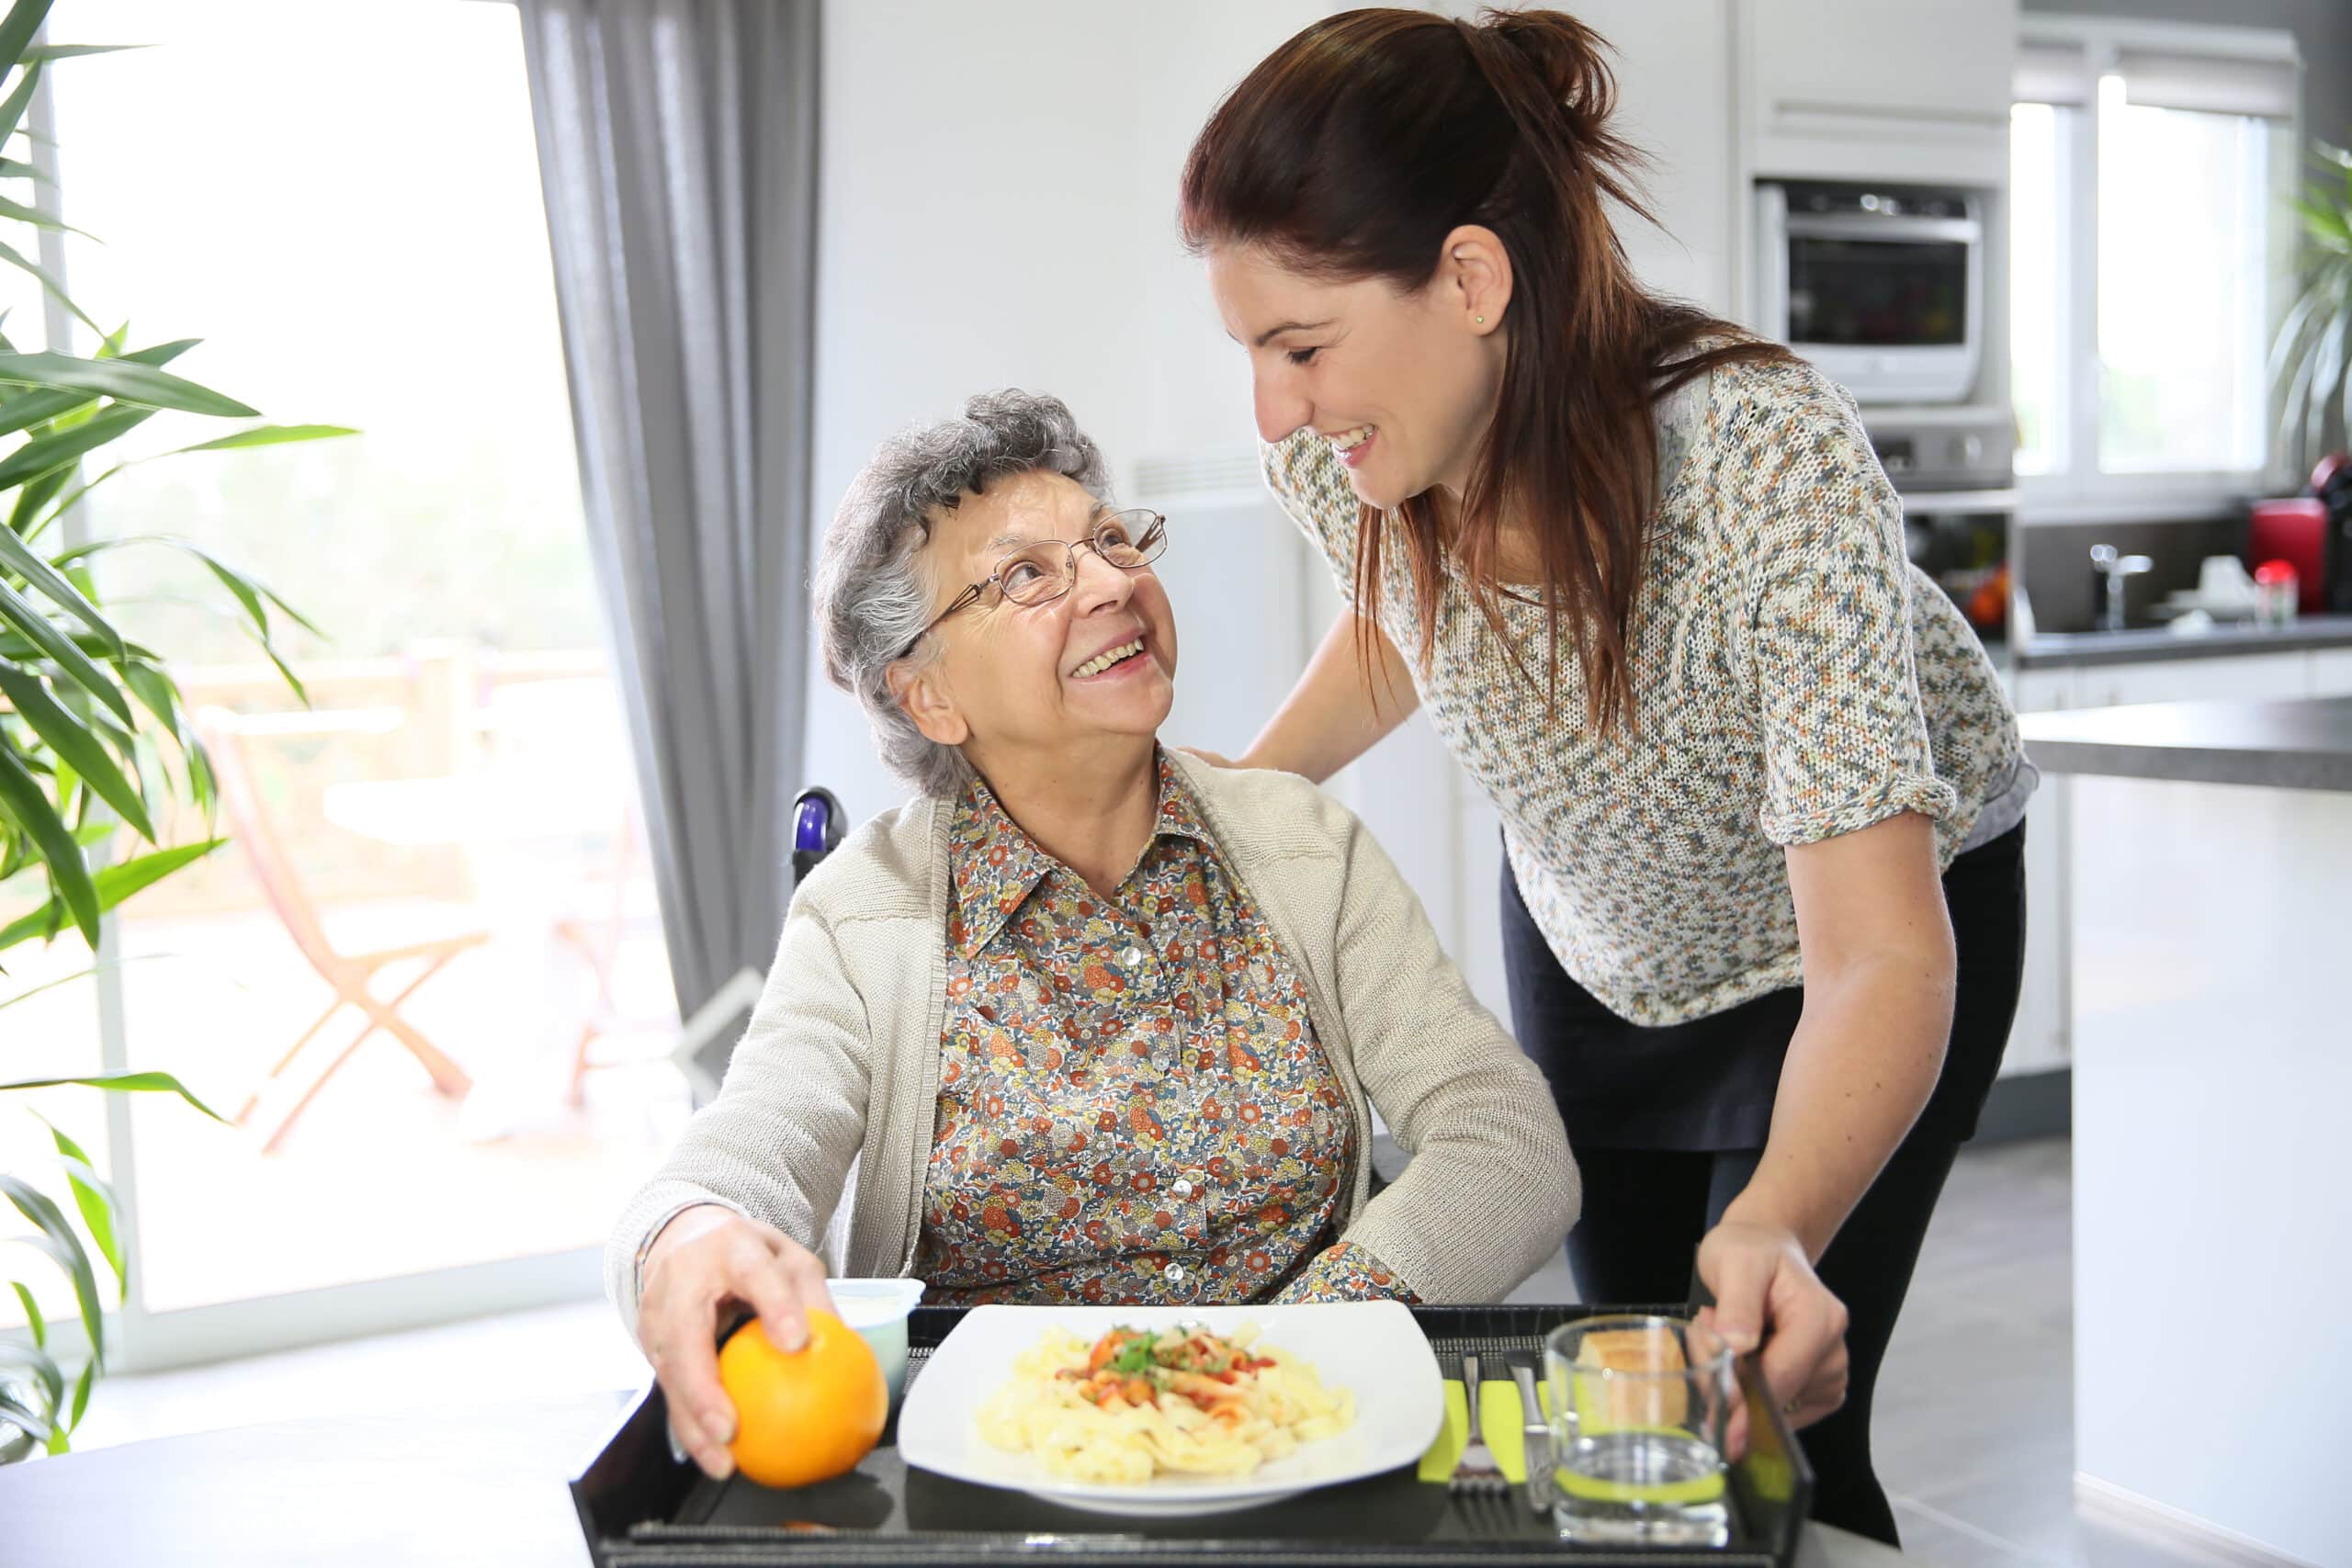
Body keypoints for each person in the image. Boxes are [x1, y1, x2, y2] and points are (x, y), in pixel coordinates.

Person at [1177, 7, 2032, 1545]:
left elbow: (1883, 947)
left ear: (1470, 278)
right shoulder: (1337, 455)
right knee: (1629, 1445)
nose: (1274, 407)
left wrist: (1776, 1220)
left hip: (1858, 940)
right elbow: (1406, 631)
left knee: (1771, 1440)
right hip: (1597, 940)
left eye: (1299, 345)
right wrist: (1233, 796)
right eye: (1252, 350)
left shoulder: (1757, 459)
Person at [609, 389, 1578, 1483]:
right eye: (1027, 574)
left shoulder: (1301, 844)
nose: (1116, 582)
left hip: (1299, 1436)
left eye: (1111, 542)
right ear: (927, 695)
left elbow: (1507, 1140)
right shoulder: (863, 910)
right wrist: (686, 1233)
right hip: (990, 1463)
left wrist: (1291, 1343)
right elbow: (754, 1143)